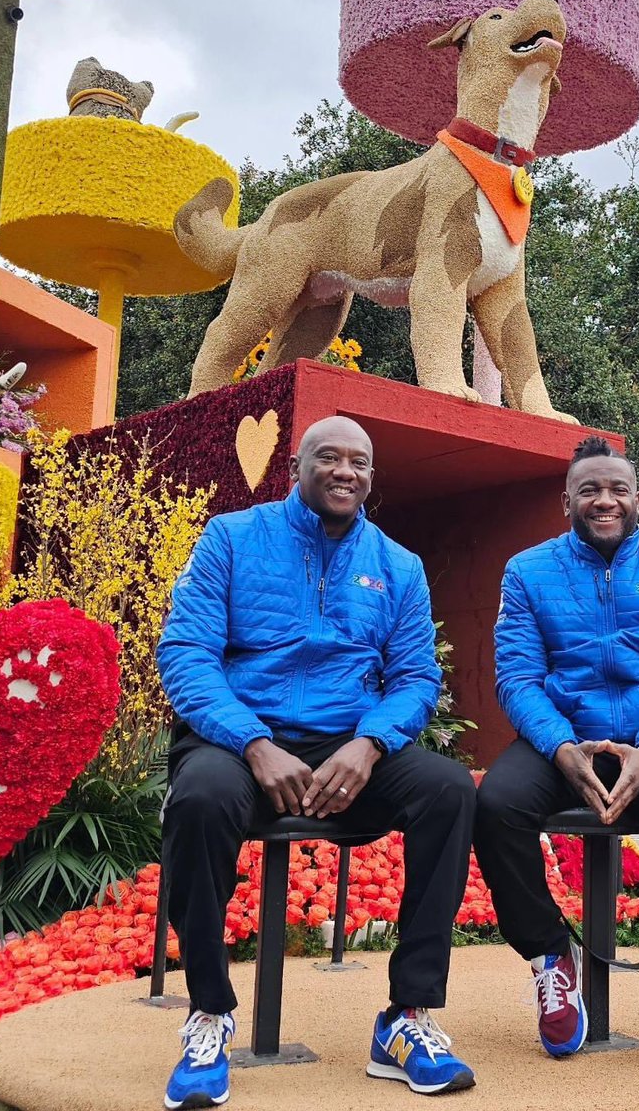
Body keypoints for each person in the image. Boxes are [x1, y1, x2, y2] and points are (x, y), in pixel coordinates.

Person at [156, 415, 477, 1109]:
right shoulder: (232, 539)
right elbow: (185, 655)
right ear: (296, 464)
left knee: (449, 790)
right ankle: (208, 1013)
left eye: (358, 462)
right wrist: (252, 741)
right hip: (239, 743)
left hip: (347, 747)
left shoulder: (398, 566)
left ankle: (407, 1018)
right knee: (199, 799)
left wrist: (371, 743)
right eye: (328, 457)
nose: (345, 471)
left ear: (370, 477)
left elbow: (418, 679)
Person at [474, 435, 639, 1071]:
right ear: (567, 500)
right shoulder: (528, 570)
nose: (604, 499)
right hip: (561, 742)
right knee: (496, 804)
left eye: (617, 488)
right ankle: (549, 959)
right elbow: (517, 678)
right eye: (589, 489)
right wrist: (561, 746)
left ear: (638, 498)